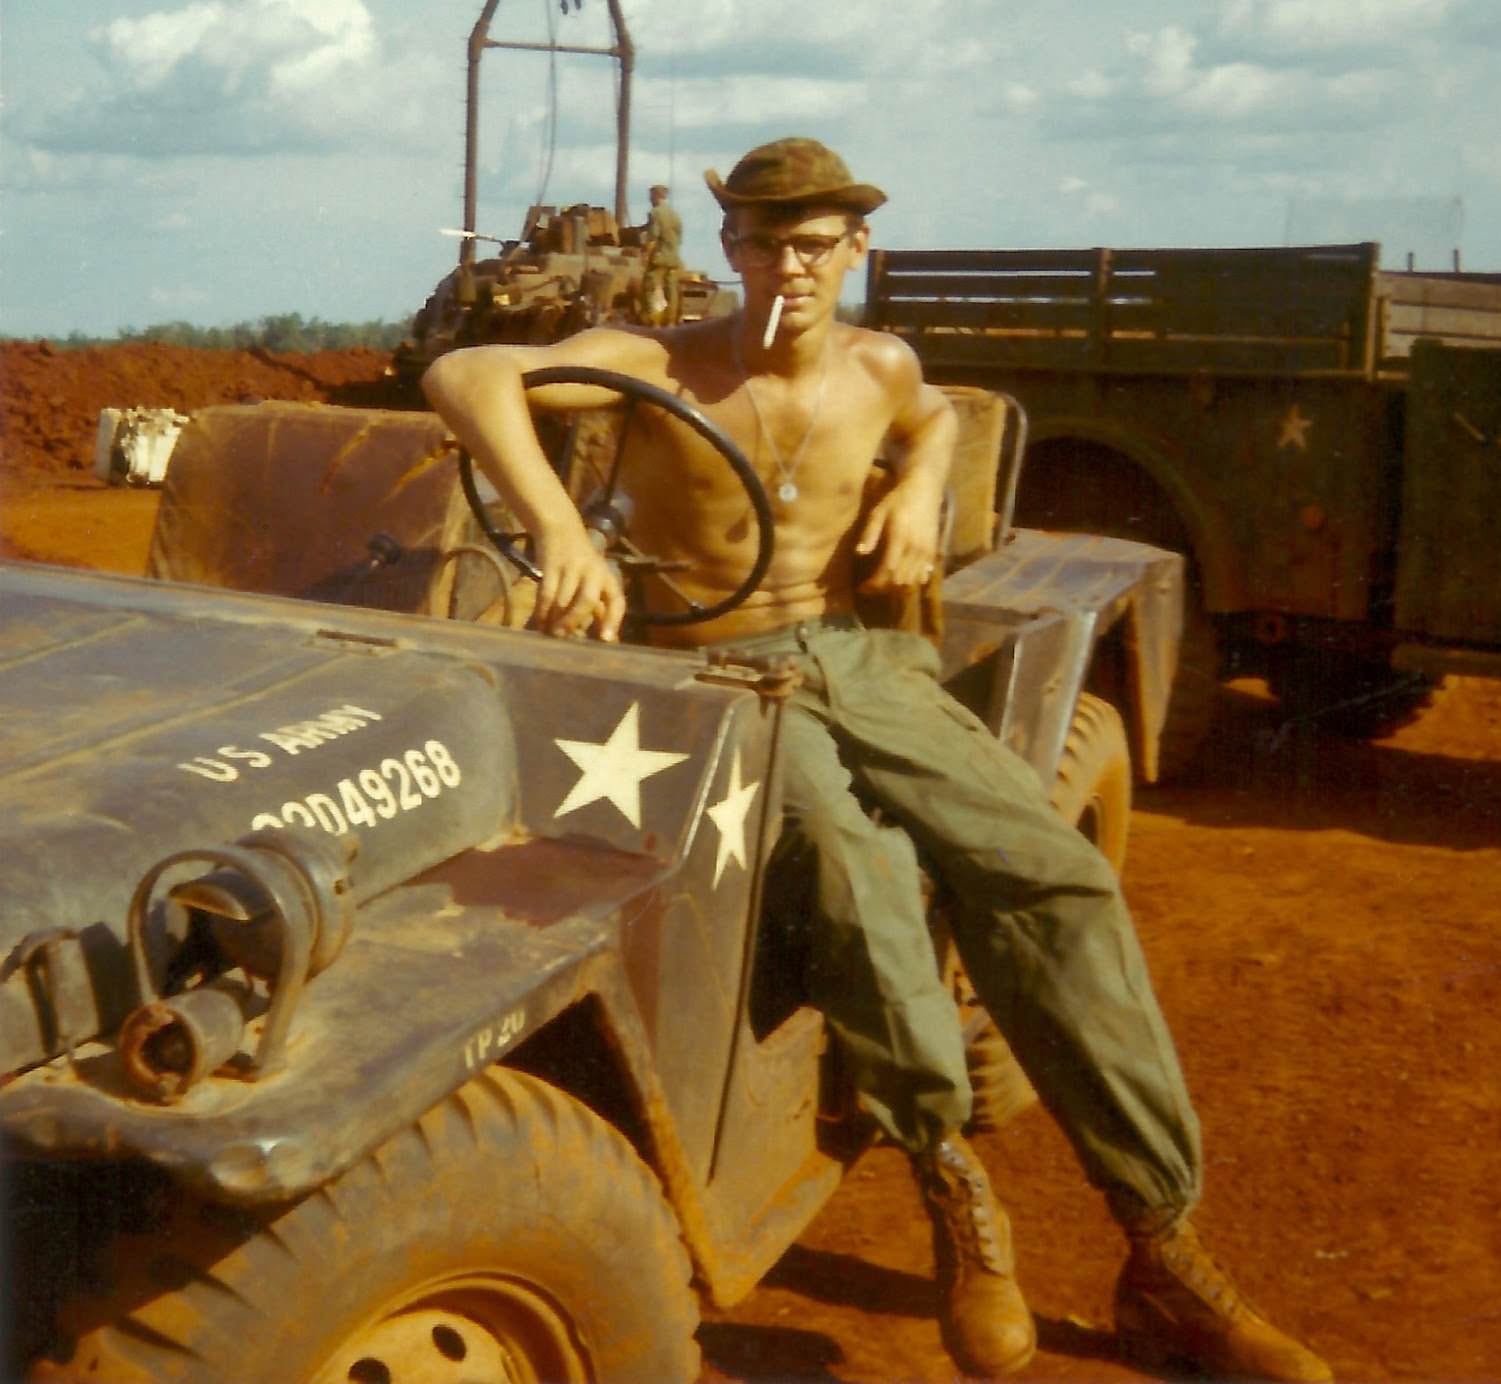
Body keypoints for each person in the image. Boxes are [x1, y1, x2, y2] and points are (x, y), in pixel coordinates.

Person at [422, 137, 1333, 1383]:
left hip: (861, 658)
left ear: (856, 251)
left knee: (1051, 874)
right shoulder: (659, 362)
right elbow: (469, 371)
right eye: (762, 239)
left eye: (815, 242)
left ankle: (1162, 1250)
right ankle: (953, 1187)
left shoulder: (880, 362)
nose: (787, 264)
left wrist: (922, 482)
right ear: (729, 249)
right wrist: (560, 522)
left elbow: (935, 412)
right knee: (854, 874)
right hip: (713, 676)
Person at [640, 182, 684, 325]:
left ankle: (654, 323)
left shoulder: (655, 213)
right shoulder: (675, 215)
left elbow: (653, 237)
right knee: (671, 291)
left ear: (655, 196)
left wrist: (645, 254)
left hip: (659, 258)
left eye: (650, 196)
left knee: (650, 288)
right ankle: (671, 322)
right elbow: (679, 238)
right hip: (673, 258)